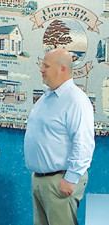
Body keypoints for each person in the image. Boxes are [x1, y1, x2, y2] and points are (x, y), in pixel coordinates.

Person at [24, 49, 95, 225]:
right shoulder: (47, 97)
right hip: (41, 181)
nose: (41, 69)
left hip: (60, 183)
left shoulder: (75, 100)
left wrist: (71, 179)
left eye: (46, 66)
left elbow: (84, 143)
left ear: (62, 69)